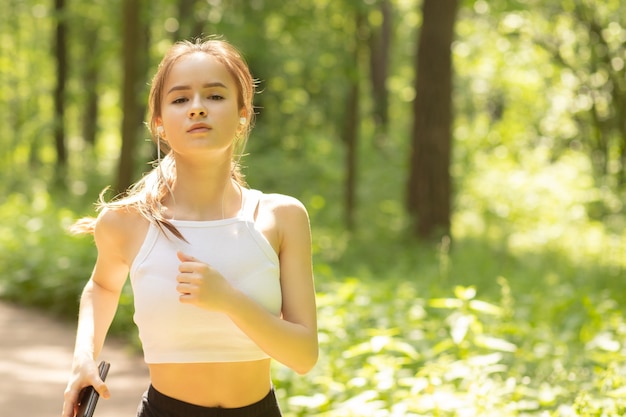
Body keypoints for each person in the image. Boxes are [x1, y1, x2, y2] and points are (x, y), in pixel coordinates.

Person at [62, 37, 318, 417]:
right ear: (160, 123)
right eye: (180, 99)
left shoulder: (281, 217)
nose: (197, 109)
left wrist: (229, 300)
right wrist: (83, 357)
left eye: (214, 96)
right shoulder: (128, 223)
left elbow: (303, 356)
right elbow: (101, 286)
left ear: (243, 112)